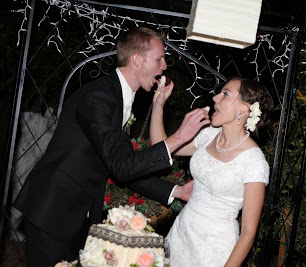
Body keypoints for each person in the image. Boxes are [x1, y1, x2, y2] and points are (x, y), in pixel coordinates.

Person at [13, 27, 210, 267]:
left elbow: (121, 164)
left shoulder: (119, 98)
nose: (164, 66)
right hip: (52, 212)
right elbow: (122, 166)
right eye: (159, 59)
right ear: (137, 59)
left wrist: (175, 191)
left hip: (76, 217)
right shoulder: (99, 96)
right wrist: (179, 137)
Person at [150, 77, 274, 266]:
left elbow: (248, 231)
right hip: (181, 234)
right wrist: (158, 106)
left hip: (215, 248)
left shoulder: (254, 161)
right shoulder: (207, 135)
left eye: (225, 94)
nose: (215, 98)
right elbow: (160, 149)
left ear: (244, 108)